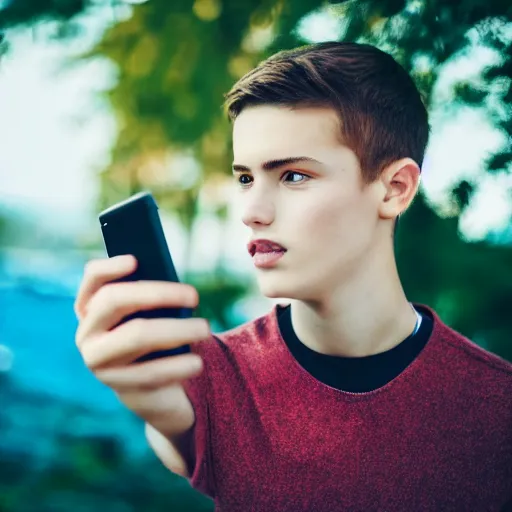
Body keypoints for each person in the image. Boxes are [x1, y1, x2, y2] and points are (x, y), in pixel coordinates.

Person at [74, 42, 512, 511]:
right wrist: (147, 392)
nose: (253, 212)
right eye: (246, 178)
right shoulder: (211, 377)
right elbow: (175, 422)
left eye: (293, 176)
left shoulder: (498, 408)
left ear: (394, 189)